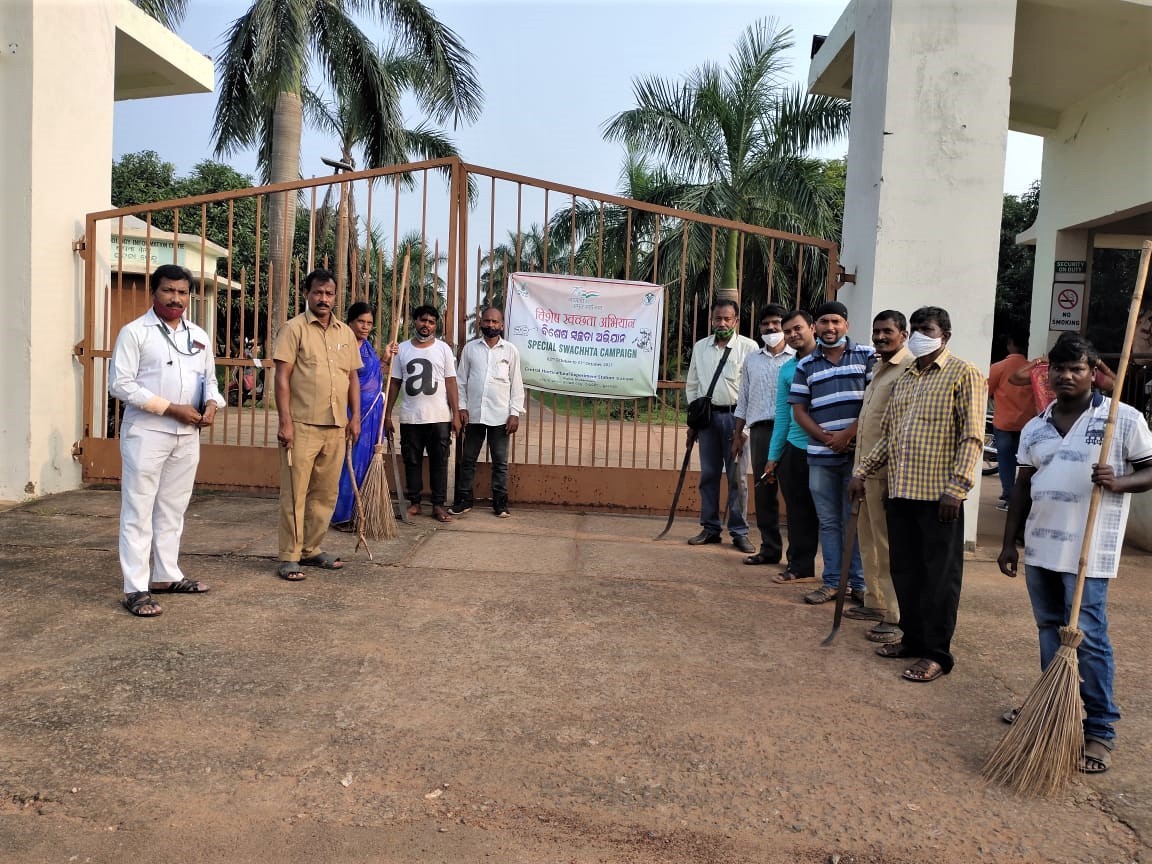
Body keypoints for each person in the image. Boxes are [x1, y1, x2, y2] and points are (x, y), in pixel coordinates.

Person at [997, 333, 1152, 774]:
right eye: (1059, 369)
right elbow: (1022, 487)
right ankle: (1055, 710)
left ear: (1093, 373)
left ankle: (1100, 729)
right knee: (1050, 630)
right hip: (1041, 546)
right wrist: (1010, 543)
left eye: (1076, 369)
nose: (1065, 376)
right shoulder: (1036, 425)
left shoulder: (1121, 419)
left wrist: (1119, 482)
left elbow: (1149, 469)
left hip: (1088, 551)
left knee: (1089, 638)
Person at [849, 306, 986, 683]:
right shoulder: (907, 376)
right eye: (918, 328)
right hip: (900, 491)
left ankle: (936, 654)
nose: (922, 334)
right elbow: (891, 437)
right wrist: (862, 471)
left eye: (928, 329)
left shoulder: (964, 374)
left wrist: (956, 489)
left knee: (938, 579)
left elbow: (972, 437)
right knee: (905, 571)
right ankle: (911, 638)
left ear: (945, 335)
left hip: (939, 498)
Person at [108, 264, 224, 616]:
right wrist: (170, 408)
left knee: (173, 507)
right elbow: (121, 383)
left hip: (187, 435)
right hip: (147, 433)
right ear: (154, 293)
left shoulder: (199, 335)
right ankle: (135, 588)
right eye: (168, 291)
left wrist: (211, 405)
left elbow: (211, 381)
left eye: (182, 292)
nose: (176, 298)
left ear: (190, 296)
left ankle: (166, 575)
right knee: (139, 510)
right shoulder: (135, 333)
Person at [273, 268, 362, 581]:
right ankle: (289, 555)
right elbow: (282, 377)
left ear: (336, 296)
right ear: (307, 294)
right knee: (295, 493)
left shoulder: (345, 333)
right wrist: (285, 422)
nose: (324, 299)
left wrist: (355, 417)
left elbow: (352, 376)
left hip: (336, 427)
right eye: (318, 293)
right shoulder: (293, 329)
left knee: (325, 495)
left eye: (329, 293)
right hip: (301, 425)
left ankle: (311, 550)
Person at [788, 300, 872, 605]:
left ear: (846, 325)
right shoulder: (805, 365)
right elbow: (799, 409)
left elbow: (874, 404)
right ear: (816, 327)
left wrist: (848, 435)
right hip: (821, 457)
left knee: (855, 520)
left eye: (836, 321)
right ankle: (833, 581)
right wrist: (826, 438)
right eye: (824, 322)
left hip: (856, 457)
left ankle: (859, 584)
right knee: (828, 521)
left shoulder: (866, 356)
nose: (830, 327)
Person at [845, 311, 915, 643]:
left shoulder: (909, 370)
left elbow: (897, 429)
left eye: (887, 331)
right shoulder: (879, 368)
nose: (880, 337)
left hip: (886, 472)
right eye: (876, 331)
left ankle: (895, 613)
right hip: (864, 470)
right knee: (868, 541)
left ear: (903, 334)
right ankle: (874, 601)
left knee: (888, 545)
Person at [684, 298, 760, 552]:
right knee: (709, 475)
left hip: (736, 419)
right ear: (712, 320)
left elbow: (753, 390)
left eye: (728, 318)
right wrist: (695, 419)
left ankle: (739, 531)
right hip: (708, 420)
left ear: (736, 320)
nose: (723, 323)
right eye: (718, 318)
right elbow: (692, 385)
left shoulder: (749, 348)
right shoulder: (700, 347)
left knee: (737, 477)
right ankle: (710, 527)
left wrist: (745, 429)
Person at [385, 304, 462, 523]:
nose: (426, 325)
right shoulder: (403, 349)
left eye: (430, 321)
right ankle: (415, 503)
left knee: (439, 461)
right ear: (415, 321)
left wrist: (455, 414)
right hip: (411, 417)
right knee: (412, 460)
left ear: (435, 325)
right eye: (422, 320)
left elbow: (451, 382)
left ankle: (438, 505)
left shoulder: (443, 349)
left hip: (438, 417)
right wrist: (387, 414)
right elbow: (395, 383)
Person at [732, 303, 793, 565]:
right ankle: (769, 548)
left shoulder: (798, 358)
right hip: (760, 432)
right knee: (764, 492)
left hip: (792, 432)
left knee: (794, 493)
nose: (771, 328)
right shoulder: (752, 359)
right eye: (766, 324)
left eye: (776, 323)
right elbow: (743, 399)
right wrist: (738, 434)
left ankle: (797, 558)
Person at [450, 307, 525, 518]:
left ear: (501, 325)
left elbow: (516, 385)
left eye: (495, 322)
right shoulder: (470, 349)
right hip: (474, 414)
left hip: (500, 417)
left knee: (500, 463)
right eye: (487, 321)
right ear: (480, 323)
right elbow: (461, 381)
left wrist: (515, 412)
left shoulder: (510, 351)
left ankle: (500, 503)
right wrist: (462, 407)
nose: (491, 325)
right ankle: (464, 500)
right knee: (468, 460)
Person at [764, 310, 820, 583]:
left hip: (831, 448)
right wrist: (774, 456)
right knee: (798, 512)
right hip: (796, 448)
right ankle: (799, 565)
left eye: (798, 328)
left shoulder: (832, 359)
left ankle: (844, 576)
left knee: (833, 516)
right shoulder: (787, 369)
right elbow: (783, 416)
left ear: (812, 327)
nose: (793, 335)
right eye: (788, 332)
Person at [331, 303, 398, 530]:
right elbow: (346, 381)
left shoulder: (367, 348)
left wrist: (386, 359)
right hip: (354, 413)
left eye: (369, 323)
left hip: (372, 416)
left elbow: (372, 373)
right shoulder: (344, 347)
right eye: (361, 321)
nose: (365, 327)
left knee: (366, 463)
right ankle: (342, 515)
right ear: (350, 322)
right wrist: (353, 416)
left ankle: (361, 510)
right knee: (349, 463)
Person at [987, 332, 1035, 510]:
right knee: (1027, 463)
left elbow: (988, 391)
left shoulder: (998, 367)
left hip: (1004, 423)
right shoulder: (1031, 368)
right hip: (1027, 424)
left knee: (1006, 461)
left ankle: (1009, 497)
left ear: (1009, 344)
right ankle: (1025, 498)